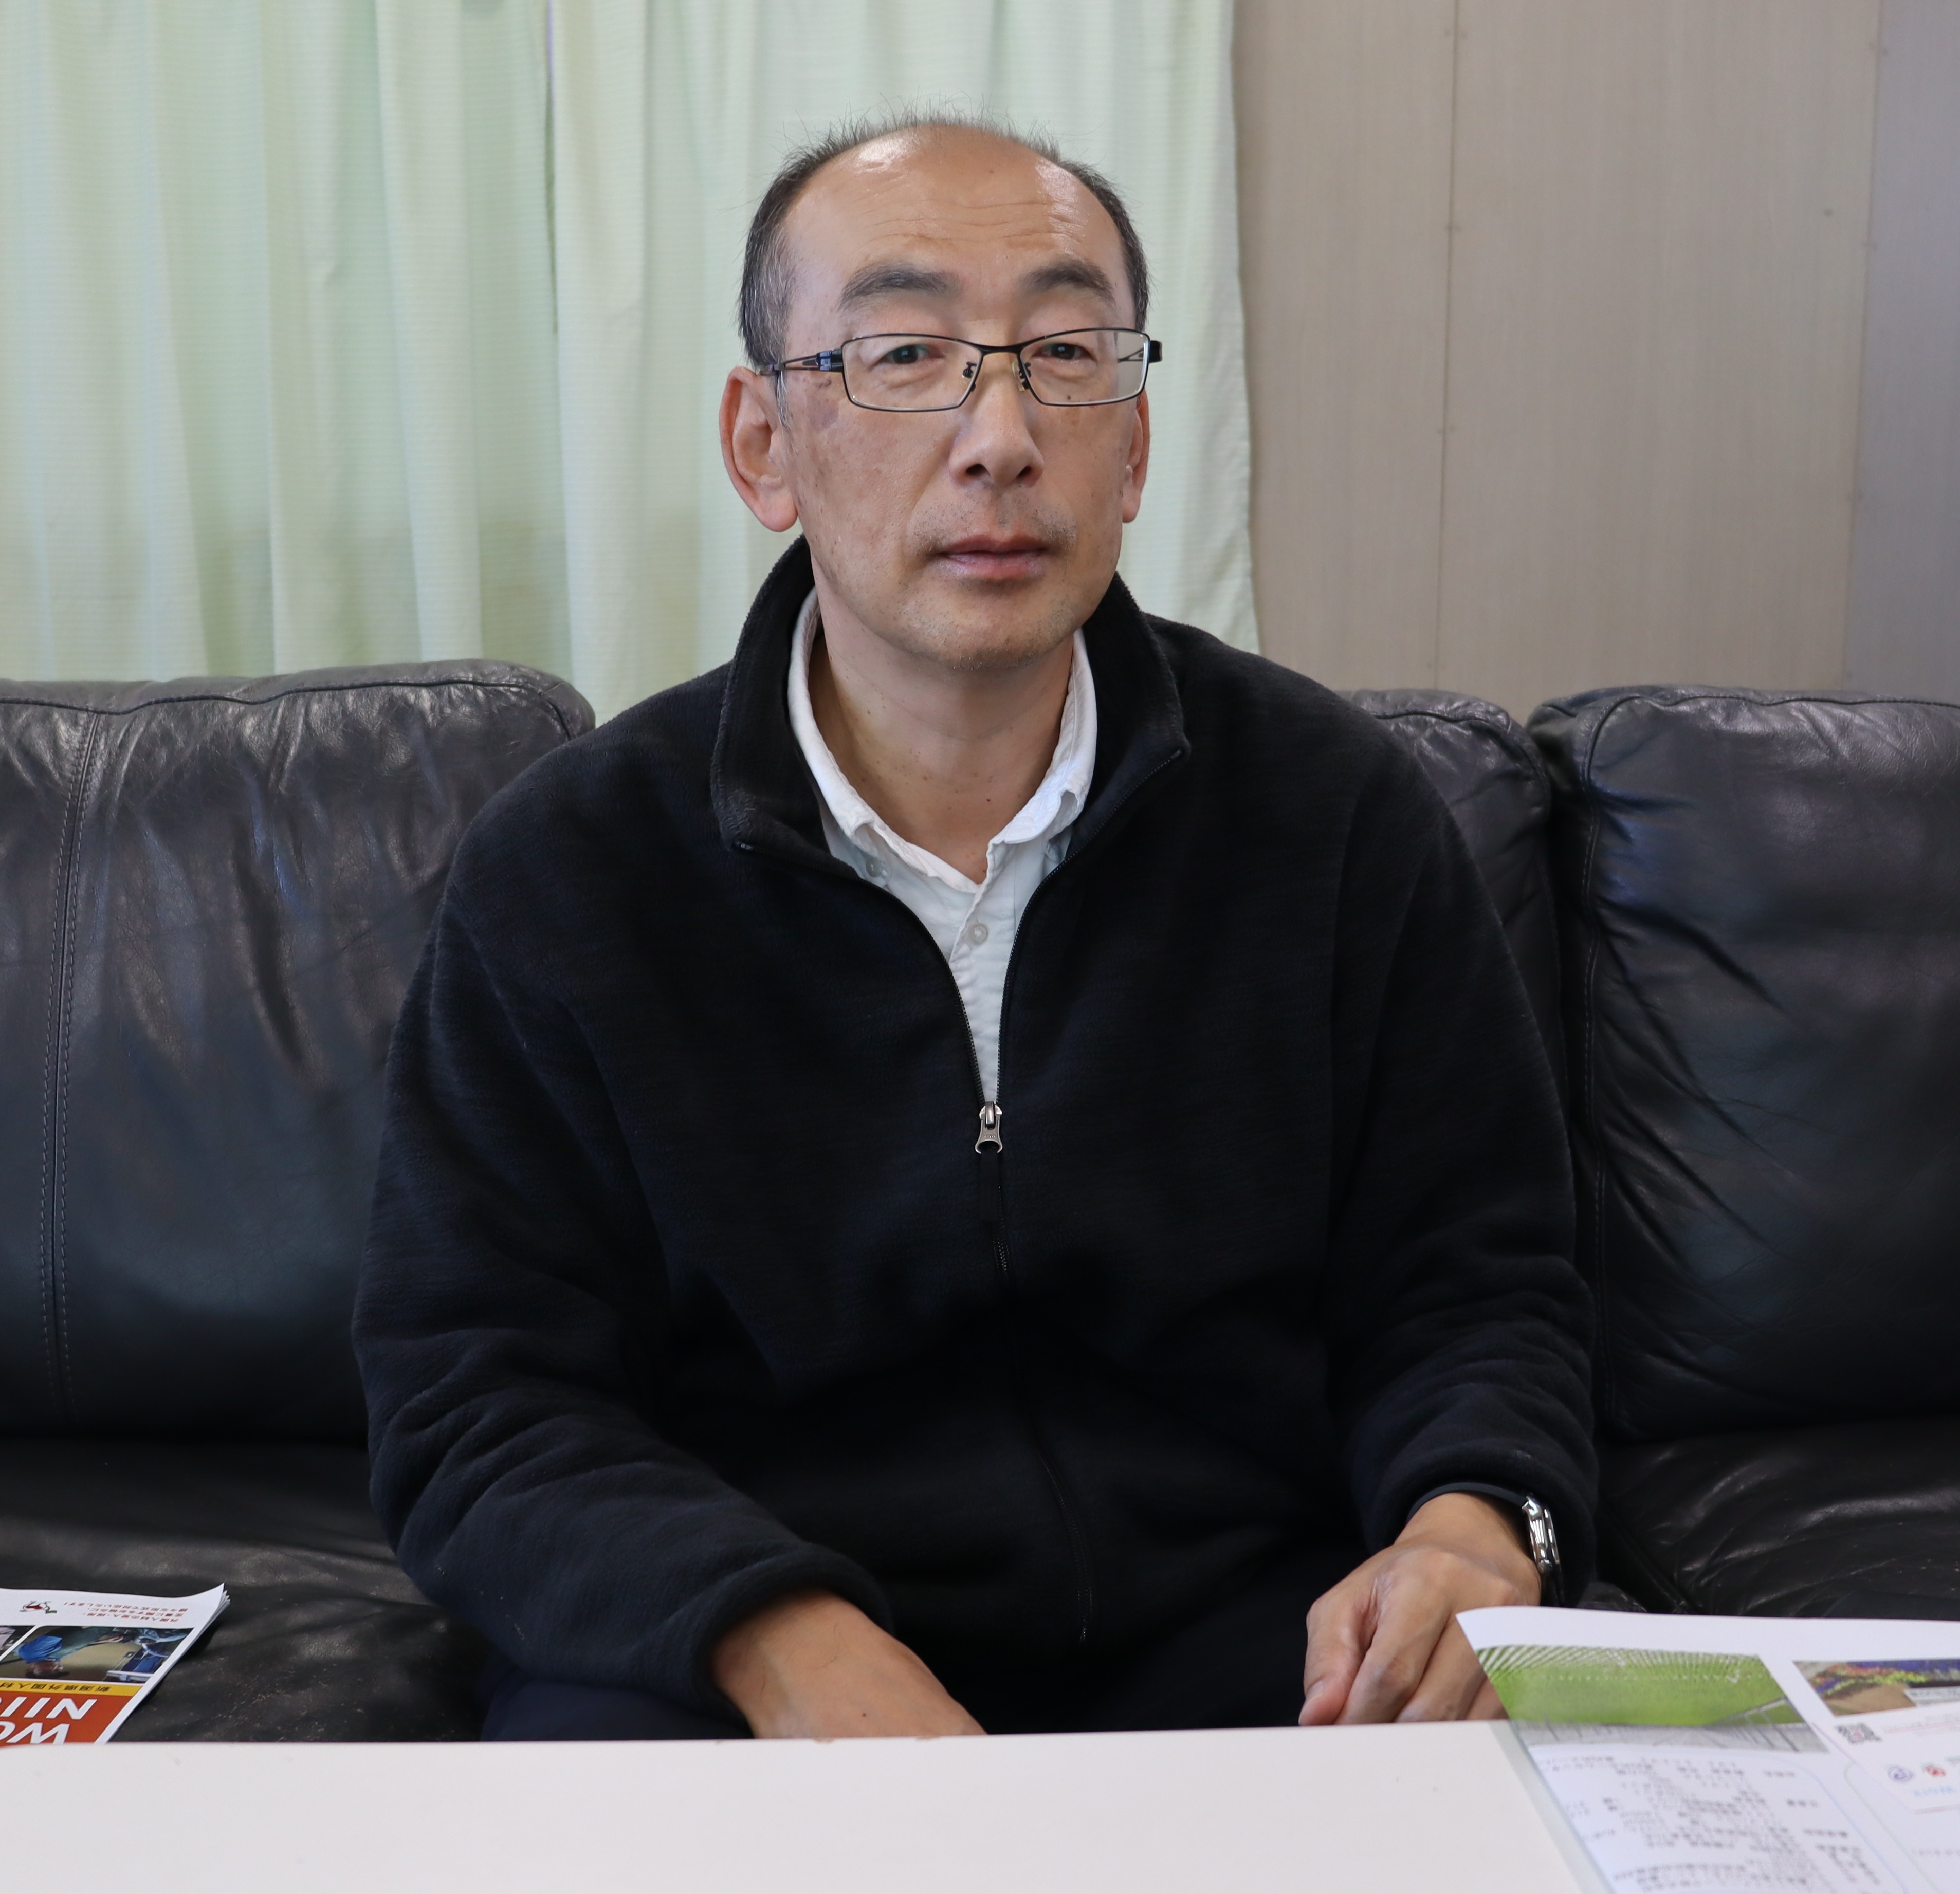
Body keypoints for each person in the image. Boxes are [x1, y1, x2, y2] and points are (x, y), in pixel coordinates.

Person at [354, 114, 1595, 1743]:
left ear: (1134, 448)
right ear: (763, 445)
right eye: (905, 357)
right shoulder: (573, 869)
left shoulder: (1334, 812)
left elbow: (1480, 1283)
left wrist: (1474, 1523)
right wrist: (786, 1643)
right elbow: (478, 1398)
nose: (999, 436)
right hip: (738, 1644)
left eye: (1065, 357)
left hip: (1258, 1633)